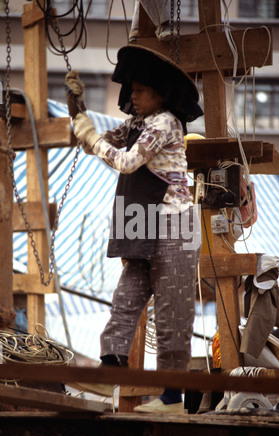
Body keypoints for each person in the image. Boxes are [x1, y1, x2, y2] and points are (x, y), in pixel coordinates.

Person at [65, 44, 203, 413]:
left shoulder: (166, 123)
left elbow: (125, 162)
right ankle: (109, 366)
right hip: (142, 223)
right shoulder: (136, 125)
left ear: (160, 94)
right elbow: (94, 144)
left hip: (177, 226)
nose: (133, 96)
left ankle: (173, 399)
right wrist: (77, 111)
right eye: (132, 89)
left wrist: (92, 137)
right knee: (125, 301)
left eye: (140, 90)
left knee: (174, 316)